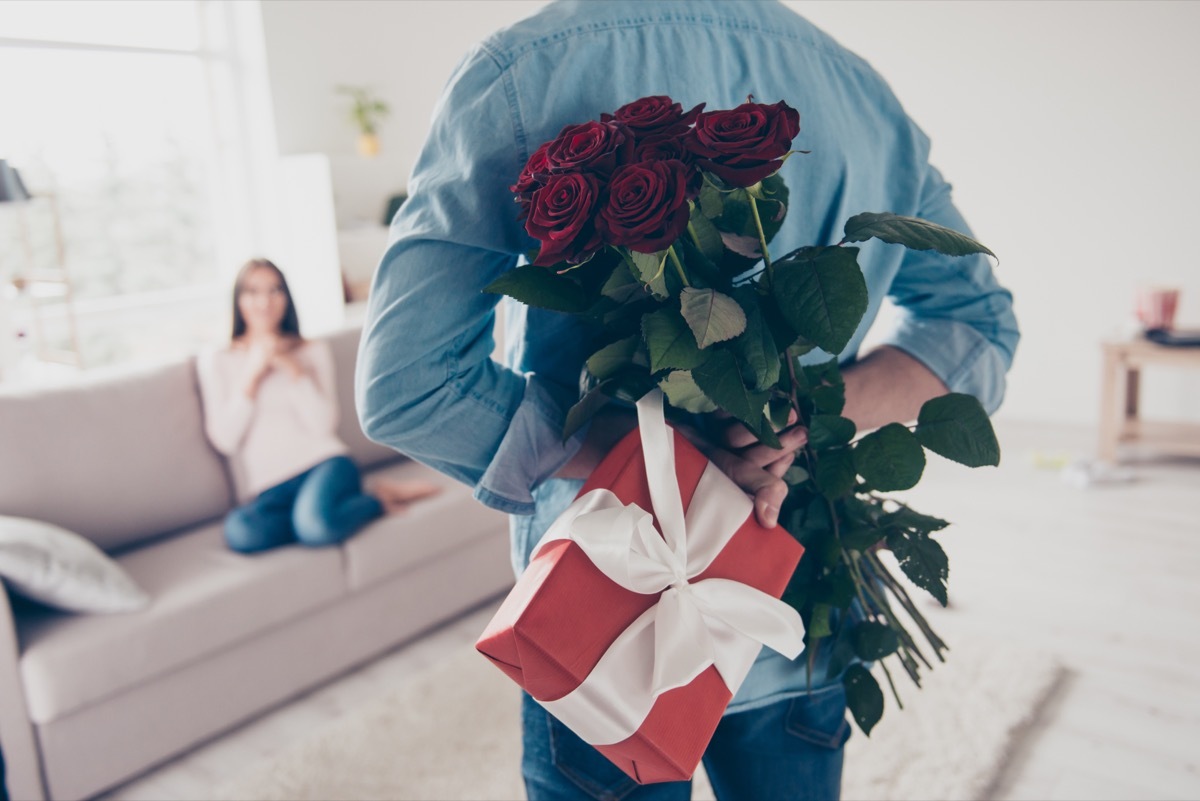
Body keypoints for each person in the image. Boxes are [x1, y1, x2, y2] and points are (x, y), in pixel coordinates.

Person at [356, 2, 1020, 799]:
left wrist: (666, 458)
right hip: (798, 593)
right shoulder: (862, 94)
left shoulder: (521, 72)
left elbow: (409, 384)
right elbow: (977, 324)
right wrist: (791, 422)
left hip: (605, 618)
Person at [198, 258, 439, 554]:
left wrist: (292, 368)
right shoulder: (217, 359)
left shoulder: (311, 350)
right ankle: (348, 504)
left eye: (274, 290)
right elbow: (225, 439)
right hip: (269, 489)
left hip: (324, 465)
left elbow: (323, 425)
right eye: (252, 291)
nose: (264, 301)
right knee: (241, 533)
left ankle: (371, 501)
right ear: (238, 300)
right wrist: (253, 373)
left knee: (316, 527)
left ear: (286, 297)